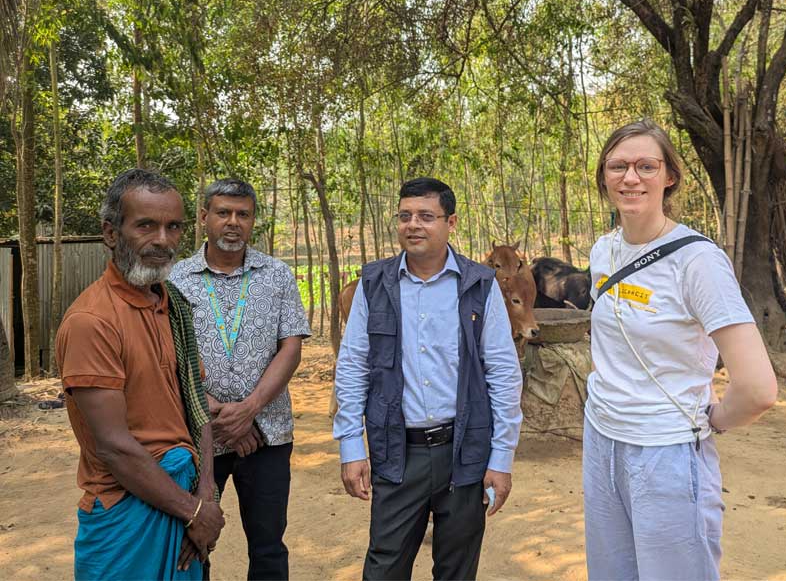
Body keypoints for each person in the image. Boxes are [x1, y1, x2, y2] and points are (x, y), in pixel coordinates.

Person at [584, 119, 778, 580]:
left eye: (646, 166)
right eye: (618, 166)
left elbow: (758, 388)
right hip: (601, 440)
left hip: (666, 452)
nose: (631, 178)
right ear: (605, 177)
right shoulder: (603, 252)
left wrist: (714, 419)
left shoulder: (698, 261)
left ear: (669, 177)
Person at [333, 177, 523, 581]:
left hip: (465, 451)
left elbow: (503, 372)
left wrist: (501, 457)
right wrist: (351, 446)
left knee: (456, 570)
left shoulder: (479, 285)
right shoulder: (374, 284)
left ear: (450, 222)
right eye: (405, 216)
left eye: (425, 216)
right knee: (384, 567)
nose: (413, 225)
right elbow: (353, 366)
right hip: (397, 452)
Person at [56, 169, 224, 581]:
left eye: (173, 226)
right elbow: (114, 447)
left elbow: (196, 406)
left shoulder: (175, 307)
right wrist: (192, 511)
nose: (163, 240)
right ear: (111, 233)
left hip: (180, 502)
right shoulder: (91, 321)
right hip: (127, 513)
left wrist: (205, 495)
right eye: (146, 225)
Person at [169, 178, 310, 581]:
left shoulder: (277, 275)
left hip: (266, 435)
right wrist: (220, 416)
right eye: (223, 213)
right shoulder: (175, 279)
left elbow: (291, 347)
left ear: (252, 222)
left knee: (268, 545)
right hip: (196, 434)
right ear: (203, 218)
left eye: (243, 214)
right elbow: (167, 355)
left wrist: (250, 409)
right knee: (193, 539)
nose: (233, 222)